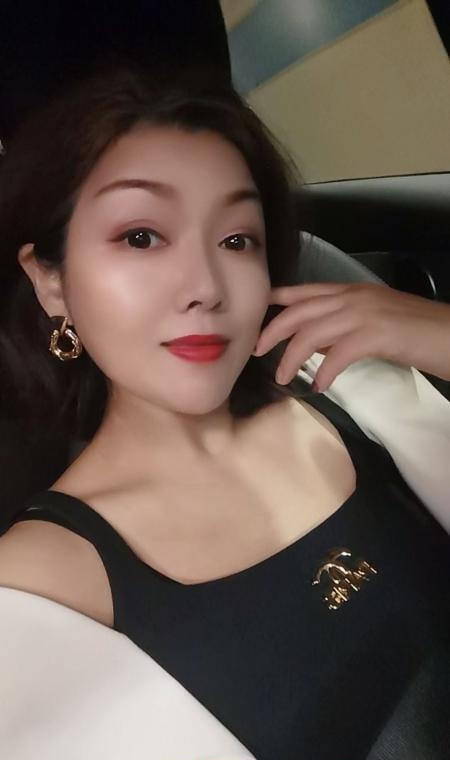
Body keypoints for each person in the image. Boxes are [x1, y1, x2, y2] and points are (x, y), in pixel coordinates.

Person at [0, 65, 449, 760]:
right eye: (141, 237)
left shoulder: (353, 388)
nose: (205, 287)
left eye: (237, 240)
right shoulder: (34, 591)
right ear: (50, 281)